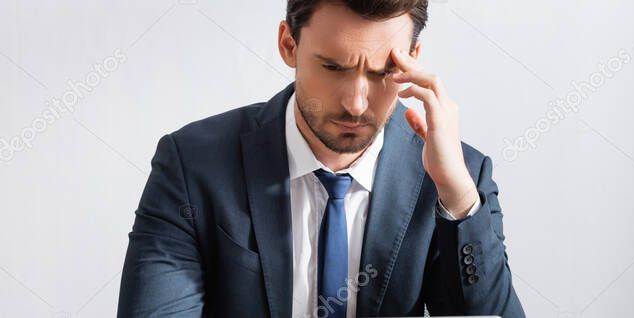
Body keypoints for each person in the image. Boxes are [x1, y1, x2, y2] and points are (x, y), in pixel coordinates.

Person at [116, 0, 524, 317]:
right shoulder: (192, 165)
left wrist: (456, 200)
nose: (356, 103)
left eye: (383, 72)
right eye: (333, 67)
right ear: (288, 45)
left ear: (413, 59)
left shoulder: (459, 177)